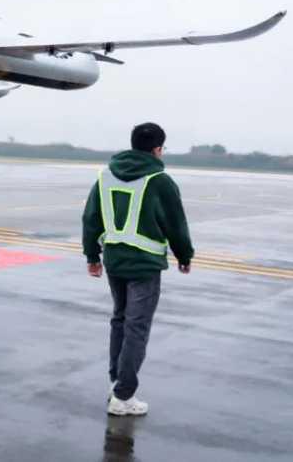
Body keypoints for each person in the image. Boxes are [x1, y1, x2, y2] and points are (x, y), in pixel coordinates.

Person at [82, 122, 194, 417]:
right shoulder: (160, 180)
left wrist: (92, 255)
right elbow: (176, 224)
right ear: (158, 149)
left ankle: (115, 382)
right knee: (136, 327)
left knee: (120, 321)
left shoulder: (105, 176)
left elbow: (91, 218)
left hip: (115, 261)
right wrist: (185, 255)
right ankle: (123, 395)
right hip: (144, 265)